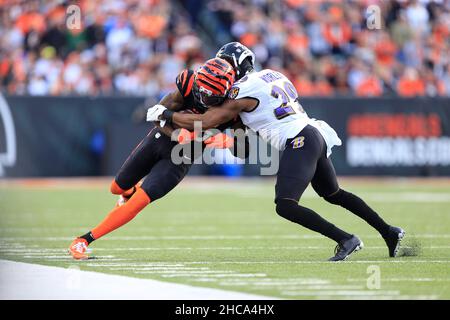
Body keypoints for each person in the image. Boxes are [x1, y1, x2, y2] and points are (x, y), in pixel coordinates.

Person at [147, 42, 405, 261]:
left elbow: (208, 121)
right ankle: (388, 231)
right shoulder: (272, 74)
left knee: (285, 205)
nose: (221, 72)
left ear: (233, 66)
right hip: (312, 132)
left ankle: (346, 239)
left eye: (224, 66)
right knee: (333, 193)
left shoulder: (241, 89)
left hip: (299, 139)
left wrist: (167, 113)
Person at [68, 58, 247, 260]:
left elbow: (245, 146)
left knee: (138, 202)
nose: (203, 97)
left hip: (181, 157)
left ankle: (84, 239)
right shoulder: (188, 84)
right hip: (160, 140)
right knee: (116, 188)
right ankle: (131, 189)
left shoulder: (233, 106)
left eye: (210, 94)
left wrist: (231, 141)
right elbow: (156, 115)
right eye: (201, 90)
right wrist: (176, 134)